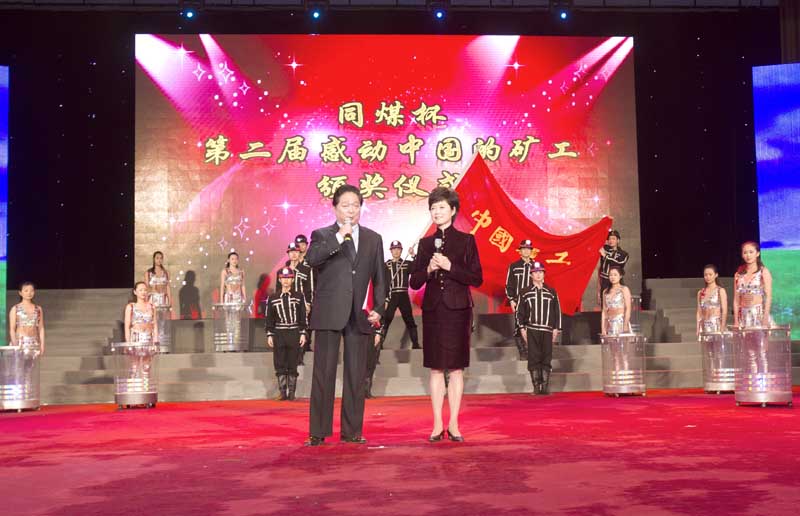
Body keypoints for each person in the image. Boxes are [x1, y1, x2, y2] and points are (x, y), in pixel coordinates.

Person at [304, 184, 385, 446]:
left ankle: (352, 431)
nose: (351, 210)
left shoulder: (373, 239)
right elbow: (312, 259)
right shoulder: (322, 235)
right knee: (324, 373)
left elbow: (380, 278)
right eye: (345, 205)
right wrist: (339, 237)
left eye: (355, 205)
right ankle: (318, 431)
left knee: (356, 375)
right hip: (329, 312)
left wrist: (379, 308)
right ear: (335, 208)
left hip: (359, 314)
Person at [410, 187, 483, 443]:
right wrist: (429, 269)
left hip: (458, 310)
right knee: (435, 368)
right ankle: (437, 424)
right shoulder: (425, 244)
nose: (436, 212)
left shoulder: (466, 241)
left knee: (456, 368)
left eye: (441, 207)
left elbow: (477, 278)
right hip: (433, 311)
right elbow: (414, 281)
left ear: (453, 210)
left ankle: (453, 424)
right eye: (433, 208)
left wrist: (451, 267)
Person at [365, 240, 419, 399]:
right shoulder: (386, 265)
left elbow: (417, 268)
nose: (396, 251)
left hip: (403, 294)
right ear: (391, 251)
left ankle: (416, 343)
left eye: (398, 249)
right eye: (394, 249)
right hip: (391, 295)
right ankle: (379, 345)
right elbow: (380, 280)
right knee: (385, 321)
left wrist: (414, 255)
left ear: (401, 251)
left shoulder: (406, 263)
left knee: (409, 320)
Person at [517, 262, 562, 395]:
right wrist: (522, 328)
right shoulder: (525, 292)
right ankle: (536, 387)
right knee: (533, 357)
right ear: (531, 275)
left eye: (540, 272)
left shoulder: (551, 292)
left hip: (547, 330)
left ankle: (545, 387)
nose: (538, 274)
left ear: (544, 274)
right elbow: (519, 312)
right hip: (531, 329)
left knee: (546, 357)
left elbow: (557, 311)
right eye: (535, 272)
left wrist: (556, 329)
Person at [265, 267, 308, 401]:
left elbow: (303, 316)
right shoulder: (273, 298)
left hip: (294, 331)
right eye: (283, 278)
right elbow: (269, 318)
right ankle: (283, 392)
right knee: (279, 362)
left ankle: (292, 393)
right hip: (279, 333)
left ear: (292, 279)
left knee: (293, 362)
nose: (286, 281)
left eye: (288, 278)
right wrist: (270, 334)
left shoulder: (299, 296)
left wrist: (303, 333)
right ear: (279, 280)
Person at [505, 239, 536, 359]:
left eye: (528, 249)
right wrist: (511, 300)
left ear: (531, 251)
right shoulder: (514, 266)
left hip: (533, 301)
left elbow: (540, 283)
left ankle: (532, 350)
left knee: (533, 325)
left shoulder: (536, 266)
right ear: (520, 251)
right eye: (524, 249)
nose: (526, 251)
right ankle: (523, 351)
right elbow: (509, 285)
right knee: (519, 326)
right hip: (519, 302)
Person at [733, 241, 773, 329]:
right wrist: (736, 321)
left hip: (759, 315)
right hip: (743, 317)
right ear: (742, 255)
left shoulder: (763, 272)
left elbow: (768, 297)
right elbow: (736, 300)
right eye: (745, 252)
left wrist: (765, 318)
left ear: (757, 253)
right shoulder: (738, 274)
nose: (748, 255)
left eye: (751, 252)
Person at [9, 282, 45, 355]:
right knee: (19, 363)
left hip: (34, 344)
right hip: (19, 343)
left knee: (33, 363)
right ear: (20, 293)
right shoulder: (15, 308)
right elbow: (12, 329)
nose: (29, 293)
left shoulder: (38, 309)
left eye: (31, 291)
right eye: (26, 291)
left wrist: (42, 345)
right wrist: (15, 345)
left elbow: (41, 328)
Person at [597, 230, 629, 307]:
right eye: (609, 239)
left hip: (617, 281)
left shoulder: (623, 254)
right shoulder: (604, 249)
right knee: (604, 304)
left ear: (618, 240)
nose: (611, 241)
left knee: (617, 302)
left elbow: (619, 263)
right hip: (605, 281)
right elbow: (595, 244)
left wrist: (605, 256)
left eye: (613, 238)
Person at [696, 264, 728, 334]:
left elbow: (724, 311)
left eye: (710, 274)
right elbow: (699, 311)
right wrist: (698, 328)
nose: (708, 277)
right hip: (704, 326)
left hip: (716, 325)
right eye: (705, 275)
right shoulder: (700, 292)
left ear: (716, 275)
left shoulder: (720, 291)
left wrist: (722, 327)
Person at [601, 266, 631, 336]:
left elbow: (628, 308)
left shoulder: (624, 289)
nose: (612, 277)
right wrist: (603, 328)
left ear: (620, 276)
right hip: (609, 323)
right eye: (610, 275)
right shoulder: (605, 291)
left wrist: (625, 325)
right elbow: (604, 311)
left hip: (621, 322)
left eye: (615, 275)